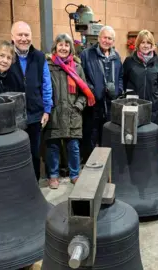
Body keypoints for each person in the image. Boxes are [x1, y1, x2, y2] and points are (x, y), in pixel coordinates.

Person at [45, 33, 95, 189]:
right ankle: (53, 175)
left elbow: (84, 92)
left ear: (71, 48)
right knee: (53, 146)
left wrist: (79, 106)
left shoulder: (77, 67)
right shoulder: (48, 66)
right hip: (54, 113)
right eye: (60, 44)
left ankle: (74, 174)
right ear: (55, 47)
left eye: (66, 45)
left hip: (73, 113)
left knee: (73, 146)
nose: (63, 48)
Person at [8, 21, 53, 182]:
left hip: (35, 113)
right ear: (12, 37)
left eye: (27, 35)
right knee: (14, 153)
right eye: (20, 35)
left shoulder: (39, 57)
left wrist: (47, 109)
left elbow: (47, 84)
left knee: (34, 152)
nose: (23, 38)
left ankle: (34, 186)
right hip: (11, 116)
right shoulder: (6, 55)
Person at [80, 26, 123, 162]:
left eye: (110, 38)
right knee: (91, 133)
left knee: (106, 133)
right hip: (93, 102)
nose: (107, 40)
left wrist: (118, 90)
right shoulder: (87, 54)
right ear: (99, 38)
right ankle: (90, 162)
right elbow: (82, 76)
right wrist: (92, 90)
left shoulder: (116, 57)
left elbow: (120, 77)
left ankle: (105, 162)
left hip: (109, 104)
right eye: (104, 37)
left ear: (113, 41)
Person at [123, 29, 158, 123]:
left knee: (149, 134)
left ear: (152, 45)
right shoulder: (129, 61)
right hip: (133, 105)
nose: (145, 45)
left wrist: (155, 96)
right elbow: (124, 81)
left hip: (152, 106)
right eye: (143, 42)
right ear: (138, 44)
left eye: (148, 42)